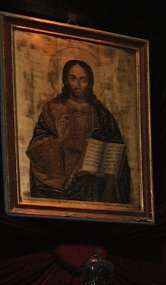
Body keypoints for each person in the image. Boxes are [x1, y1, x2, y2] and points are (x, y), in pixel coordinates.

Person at [27, 59, 131, 203]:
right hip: (61, 179)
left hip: (93, 182)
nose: (78, 85)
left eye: (83, 80)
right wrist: (60, 140)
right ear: (65, 80)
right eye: (73, 79)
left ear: (90, 83)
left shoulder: (101, 113)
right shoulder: (52, 109)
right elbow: (36, 147)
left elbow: (116, 148)